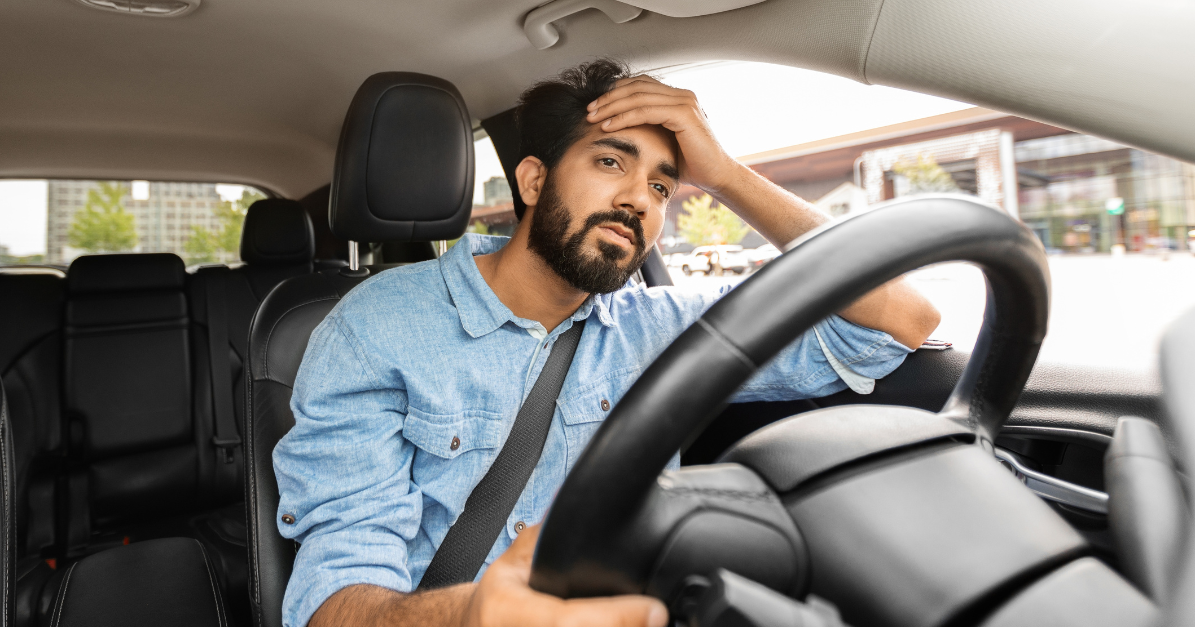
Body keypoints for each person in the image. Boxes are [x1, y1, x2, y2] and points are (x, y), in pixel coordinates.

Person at [275, 59, 941, 627]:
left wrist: (727, 175)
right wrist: (475, 611)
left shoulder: (660, 327)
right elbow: (333, 604)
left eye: (660, 185)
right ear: (533, 181)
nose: (638, 200)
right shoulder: (375, 328)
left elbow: (901, 318)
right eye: (610, 162)